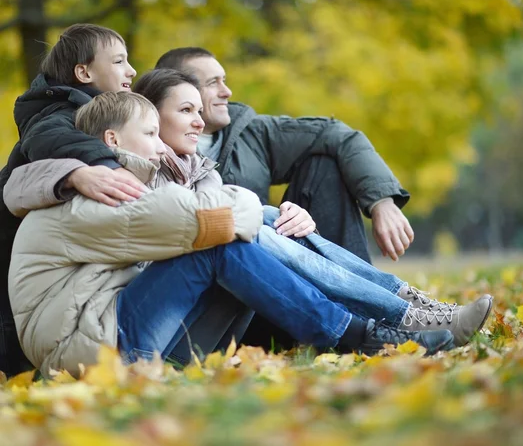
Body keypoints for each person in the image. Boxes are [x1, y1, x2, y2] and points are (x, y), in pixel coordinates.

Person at [5, 91, 455, 378]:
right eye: (151, 133)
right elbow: (210, 218)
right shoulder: (101, 198)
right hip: (97, 353)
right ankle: (368, 332)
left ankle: (375, 327)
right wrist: (260, 209)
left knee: (231, 241)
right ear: (114, 141)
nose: (163, 145)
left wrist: (257, 213)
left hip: (119, 340)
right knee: (220, 245)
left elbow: (204, 215)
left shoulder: (126, 189)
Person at [154, 47, 413, 264]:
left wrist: (381, 202)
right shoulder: (149, 143)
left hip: (272, 262)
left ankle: (368, 305)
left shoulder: (251, 131)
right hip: (216, 274)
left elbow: (337, 134)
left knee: (324, 164)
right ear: (178, 88)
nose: (227, 91)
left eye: (224, 79)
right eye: (213, 83)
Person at [0, 23, 149, 376]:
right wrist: (103, 166)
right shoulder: (57, 114)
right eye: (118, 61)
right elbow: (47, 140)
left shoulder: (90, 111)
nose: (131, 70)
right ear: (83, 72)